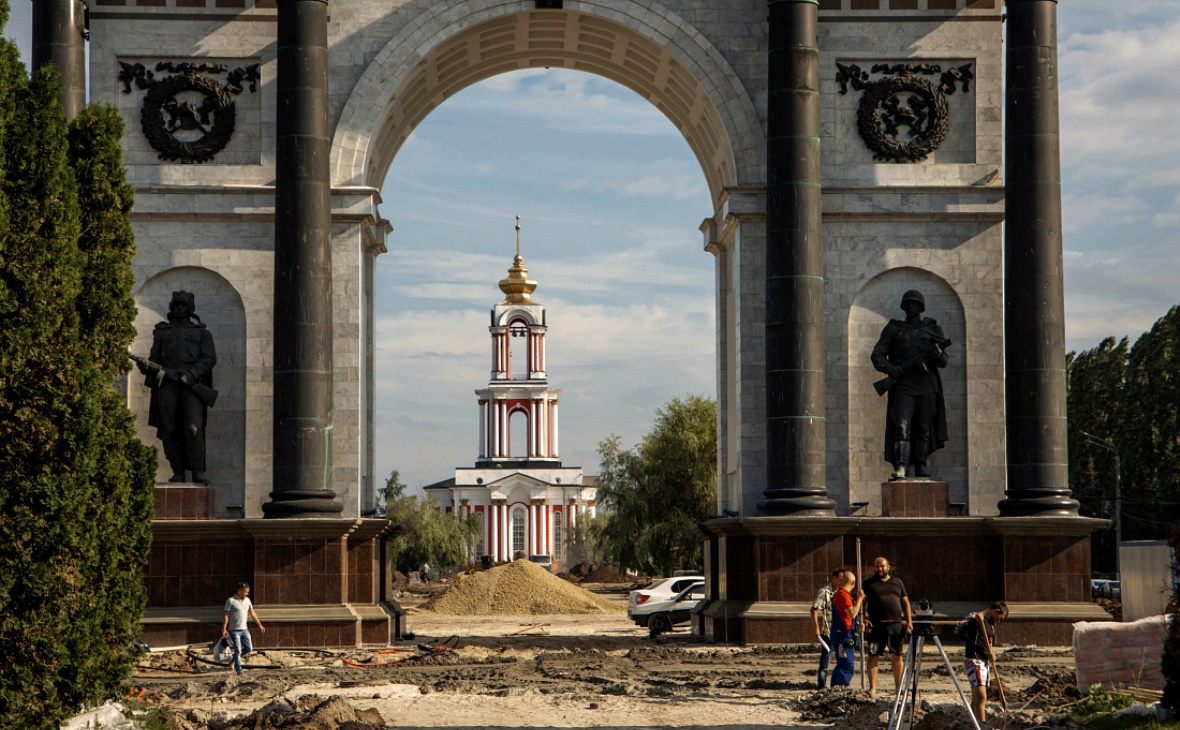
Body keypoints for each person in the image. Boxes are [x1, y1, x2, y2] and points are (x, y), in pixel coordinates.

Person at [138, 289, 217, 484]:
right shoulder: (163, 332)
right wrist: (146, 367)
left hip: (191, 385)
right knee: (169, 429)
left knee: (192, 428)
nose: (180, 309)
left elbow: (209, 358)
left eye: (184, 305)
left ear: (190, 309)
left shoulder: (202, 333)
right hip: (168, 384)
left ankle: (198, 470)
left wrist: (190, 374)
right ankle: (178, 470)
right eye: (177, 305)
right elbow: (155, 359)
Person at [870, 289, 949, 480]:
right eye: (908, 303)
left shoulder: (932, 329)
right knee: (902, 426)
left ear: (921, 307)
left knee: (924, 427)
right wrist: (891, 369)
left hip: (927, 386)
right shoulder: (894, 329)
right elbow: (877, 355)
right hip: (902, 386)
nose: (912, 306)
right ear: (903, 306)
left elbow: (944, 361)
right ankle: (902, 465)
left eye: (915, 303)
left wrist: (938, 354)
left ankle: (921, 464)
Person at [863, 556, 913, 697]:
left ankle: (898, 688)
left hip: (895, 625)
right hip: (876, 626)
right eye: (877, 566)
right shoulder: (868, 584)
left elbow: (905, 603)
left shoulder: (898, 583)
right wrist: (864, 619)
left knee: (896, 656)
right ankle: (872, 688)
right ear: (874, 567)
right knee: (873, 655)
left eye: (882, 566)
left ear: (888, 567)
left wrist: (909, 621)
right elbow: (861, 603)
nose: (880, 569)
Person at [957, 601, 1009, 723]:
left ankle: (974, 723)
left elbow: (987, 643)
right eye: (1000, 618)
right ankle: (982, 724)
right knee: (981, 697)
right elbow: (957, 629)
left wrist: (991, 654)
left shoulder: (990, 624)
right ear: (997, 611)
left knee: (976, 699)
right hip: (974, 660)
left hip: (984, 661)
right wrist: (974, 620)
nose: (999, 621)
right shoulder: (974, 617)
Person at [809, 568, 845, 689]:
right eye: (840, 579)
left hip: (841, 633)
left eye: (843, 579)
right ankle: (821, 686)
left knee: (842, 660)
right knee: (825, 661)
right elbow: (814, 609)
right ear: (833, 578)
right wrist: (816, 628)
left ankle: (839, 685)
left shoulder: (843, 593)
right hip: (828, 633)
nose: (841, 581)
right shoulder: (825, 592)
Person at [221, 581, 266, 675]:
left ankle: (234, 659)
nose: (247, 594)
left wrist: (259, 625)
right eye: (245, 592)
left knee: (249, 648)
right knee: (238, 649)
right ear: (240, 591)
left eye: (247, 592)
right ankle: (239, 669)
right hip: (234, 630)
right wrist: (224, 628)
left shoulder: (247, 601)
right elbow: (226, 616)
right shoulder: (231, 601)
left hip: (244, 629)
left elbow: (252, 613)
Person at [829, 571, 864, 687]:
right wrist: (859, 599)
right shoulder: (844, 596)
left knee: (841, 664)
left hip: (842, 635)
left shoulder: (839, 594)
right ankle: (841, 688)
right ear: (853, 583)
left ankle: (835, 688)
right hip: (843, 638)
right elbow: (852, 614)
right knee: (846, 665)